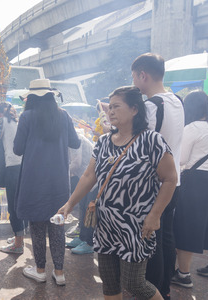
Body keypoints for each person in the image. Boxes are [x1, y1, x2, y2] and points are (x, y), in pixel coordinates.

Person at [59, 86, 177, 299]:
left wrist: (155, 215)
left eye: (116, 107)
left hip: (136, 225)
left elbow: (170, 179)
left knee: (134, 283)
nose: (110, 111)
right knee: (110, 282)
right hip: (106, 224)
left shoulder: (152, 141)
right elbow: (88, 176)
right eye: (109, 107)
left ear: (134, 109)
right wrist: (69, 204)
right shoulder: (104, 142)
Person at [14, 79, 80, 286]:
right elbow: (75, 142)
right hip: (59, 179)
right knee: (57, 225)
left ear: (31, 97)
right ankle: (59, 273)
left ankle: (40, 269)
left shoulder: (26, 117)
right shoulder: (63, 116)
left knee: (37, 224)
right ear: (52, 96)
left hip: (34, 180)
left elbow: (17, 149)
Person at [131, 53, 184, 300]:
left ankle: (151, 292)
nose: (134, 83)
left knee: (150, 242)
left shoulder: (151, 106)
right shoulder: (177, 101)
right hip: (174, 182)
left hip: (153, 186)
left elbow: (141, 145)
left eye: (134, 77)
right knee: (165, 238)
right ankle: (164, 290)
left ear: (143, 75)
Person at [172, 91, 208, 288]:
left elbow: (181, 159)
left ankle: (183, 274)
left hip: (195, 180)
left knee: (186, 226)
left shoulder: (192, 128)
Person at [0, 102, 25, 254]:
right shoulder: (18, 122)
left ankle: (18, 245)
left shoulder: (1, 122)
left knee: (13, 206)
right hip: (22, 166)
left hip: (11, 167)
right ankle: (19, 238)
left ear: (0, 113)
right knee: (18, 203)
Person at [65, 129, 95, 255]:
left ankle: (89, 243)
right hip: (84, 179)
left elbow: (76, 163)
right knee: (83, 207)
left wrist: (62, 174)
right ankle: (82, 238)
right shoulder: (70, 138)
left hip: (93, 180)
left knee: (89, 210)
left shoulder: (75, 139)